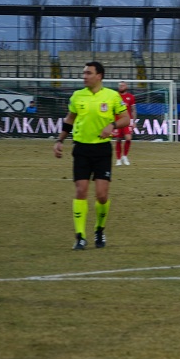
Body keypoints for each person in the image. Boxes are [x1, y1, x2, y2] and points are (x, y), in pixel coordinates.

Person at [53, 61, 129, 250]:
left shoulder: (112, 96)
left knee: (102, 195)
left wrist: (112, 125)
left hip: (102, 150)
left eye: (88, 73)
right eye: (84, 73)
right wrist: (60, 140)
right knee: (81, 191)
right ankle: (80, 236)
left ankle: (99, 230)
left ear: (99, 76)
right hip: (81, 149)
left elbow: (126, 118)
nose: (84, 76)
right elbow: (70, 119)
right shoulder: (77, 96)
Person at [114, 80, 137, 166]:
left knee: (128, 138)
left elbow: (133, 110)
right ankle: (118, 159)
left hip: (127, 121)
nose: (121, 87)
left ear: (126, 87)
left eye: (123, 86)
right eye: (120, 86)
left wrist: (134, 122)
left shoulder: (130, 97)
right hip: (118, 121)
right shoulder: (115, 96)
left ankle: (125, 156)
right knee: (118, 139)